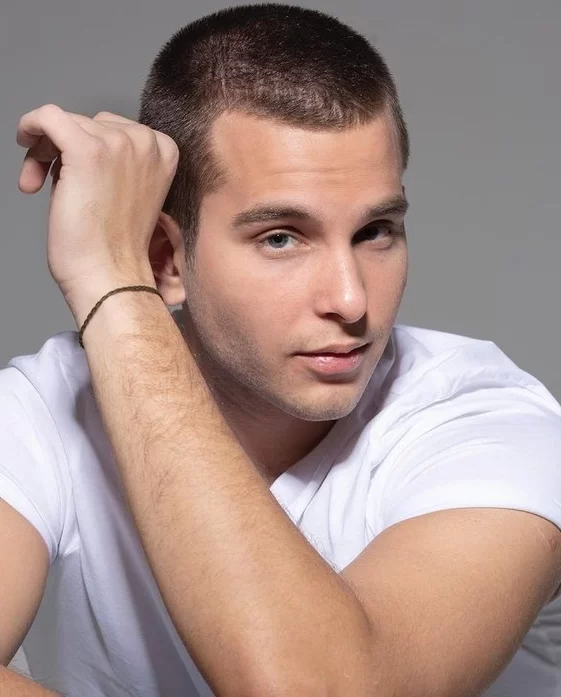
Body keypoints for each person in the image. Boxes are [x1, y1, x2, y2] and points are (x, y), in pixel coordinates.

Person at [2, 4, 561, 696]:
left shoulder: (491, 424)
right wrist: (120, 287)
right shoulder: (47, 406)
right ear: (165, 258)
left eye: (375, 231)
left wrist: (112, 287)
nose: (350, 300)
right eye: (281, 238)